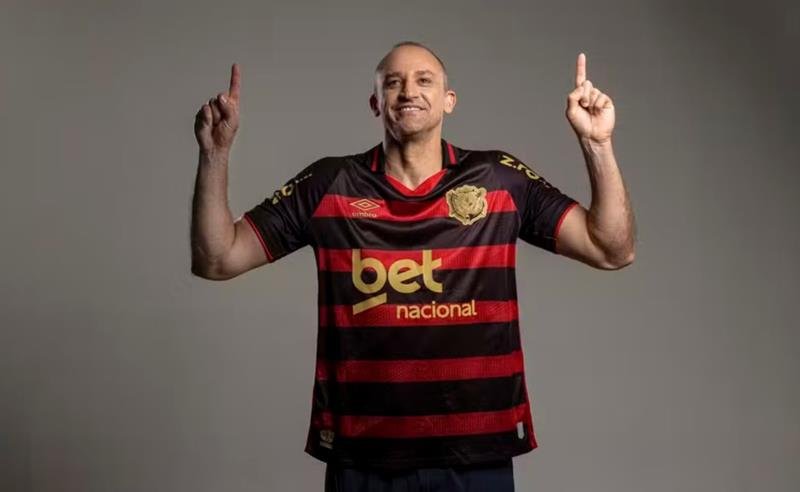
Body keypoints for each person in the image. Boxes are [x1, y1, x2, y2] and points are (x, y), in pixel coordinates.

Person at [190, 41, 635, 492]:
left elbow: (611, 249)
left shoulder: (500, 179)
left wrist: (596, 143)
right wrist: (215, 154)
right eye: (393, 83)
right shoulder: (329, 185)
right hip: (362, 456)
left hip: (477, 454)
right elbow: (217, 258)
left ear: (448, 100)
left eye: (424, 80)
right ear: (375, 102)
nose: (408, 91)